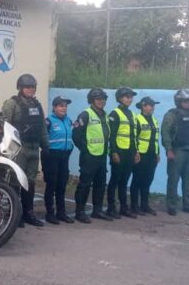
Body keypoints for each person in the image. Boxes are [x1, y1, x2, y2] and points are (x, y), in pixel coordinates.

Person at [2, 73, 49, 228]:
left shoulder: (37, 104)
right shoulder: (11, 103)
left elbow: (42, 127)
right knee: (16, 181)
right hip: (19, 149)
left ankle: (28, 213)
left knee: (30, 182)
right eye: (27, 87)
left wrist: (46, 145)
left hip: (34, 148)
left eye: (33, 87)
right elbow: (5, 125)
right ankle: (15, 215)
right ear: (20, 88)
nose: (30, 89)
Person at [161, 88, 189, 216]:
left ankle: (188, 205)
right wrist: (168, 149)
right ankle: (171, 206)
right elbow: (165, 133)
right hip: (177, 150)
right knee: (173, 179)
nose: (187, 103)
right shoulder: (172, 114)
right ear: (178, 101)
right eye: (184, 101)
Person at [72, 88, 112, 224]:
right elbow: (76, 134)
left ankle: (97, 210)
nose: (101, 101)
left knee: (100, 184)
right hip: (89, 156)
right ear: (92, 100)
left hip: (101, 155)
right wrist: (85, 149)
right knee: (85, 184)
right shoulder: (85, 114)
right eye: (98, 99)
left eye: (103, 99)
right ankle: (80, 211)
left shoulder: (104, 115)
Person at [106, 86, 140, 218]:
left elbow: (134, 135)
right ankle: (111, 208)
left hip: (130, 152)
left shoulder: (132, 114)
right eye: (127, 97)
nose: (129, 99)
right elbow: (112, 135)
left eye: (131, 97)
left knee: (124, 181)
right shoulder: (115, 113)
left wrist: (136, 151)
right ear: (120, 98)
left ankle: (124, 208)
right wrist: (113, 152)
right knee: (115, 180)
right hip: (119, 152)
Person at [42, 96, 74, 225]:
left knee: (61, 185)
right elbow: (42, 138)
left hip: (64, 156)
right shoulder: (48, 121)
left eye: (65, 106)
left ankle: (61, 213)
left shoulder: (68, 121)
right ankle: (50, 213)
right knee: (51, 185)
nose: (64, 108)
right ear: (54, 107)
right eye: (61, 106)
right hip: (51, 156)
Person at [130, 96, 161, 216]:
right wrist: (136, 152)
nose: (153, 107)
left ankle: (144, 204)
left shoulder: (154, 120)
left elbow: (155, 139)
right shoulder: (137, 119)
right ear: (143, 106)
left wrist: (157, 153)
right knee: (137, 180)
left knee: (148, 180)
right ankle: (134, 205)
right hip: (141, 154)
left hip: (152, 154)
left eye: (153, 105)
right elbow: (133, 137)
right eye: (150, 105)